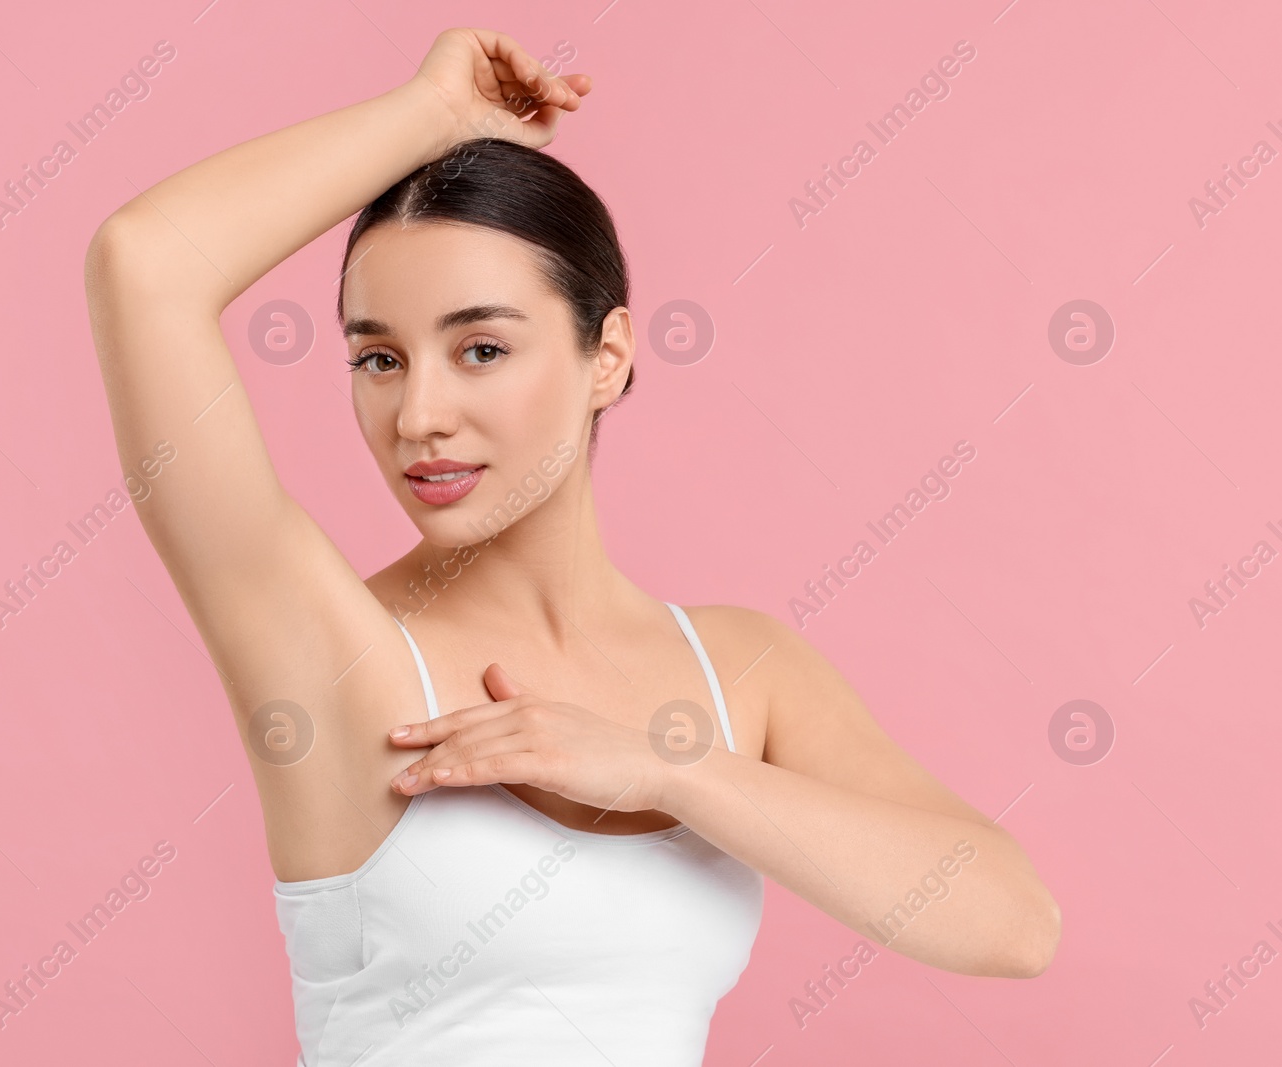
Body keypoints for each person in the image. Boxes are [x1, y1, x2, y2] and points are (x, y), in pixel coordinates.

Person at [82, 25, 1060, 1065]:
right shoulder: (336, 649)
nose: (418, 413)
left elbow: (1011, 921)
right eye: (378, 357)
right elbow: (143, 265)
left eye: (482, 349)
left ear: (608, 356)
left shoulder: (741, 669)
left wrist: (662, 768)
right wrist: (430, 119)